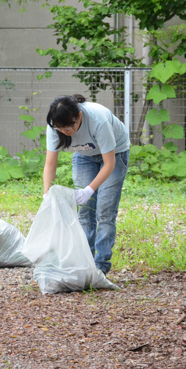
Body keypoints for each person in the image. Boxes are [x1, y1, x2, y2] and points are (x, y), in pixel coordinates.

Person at [43, 94, 130, 275]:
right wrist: (46, 194)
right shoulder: (55, 126)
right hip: (85, 156)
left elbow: (109, 164)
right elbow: (50, 164)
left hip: (115, 155)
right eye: (59, 128)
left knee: (105, 211)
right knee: (84, 211)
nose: (63, 131)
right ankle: (84, 262)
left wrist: (90, 189)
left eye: (68, 127)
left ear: (79, 117)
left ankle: (100, 266)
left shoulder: (97, 120)